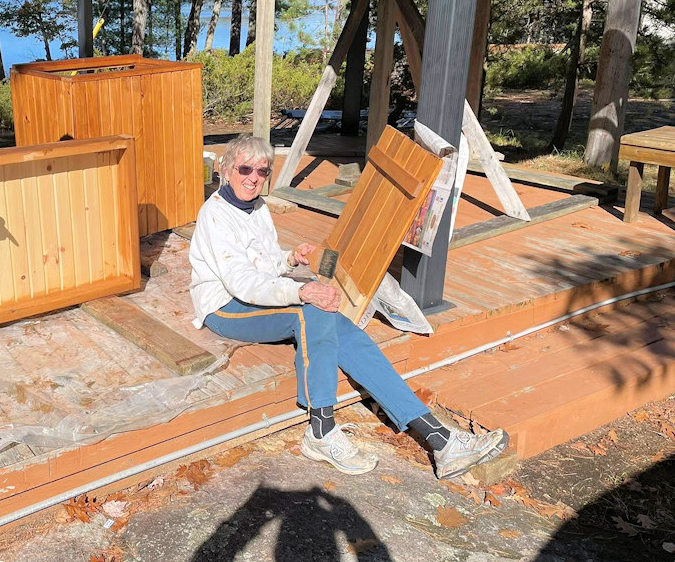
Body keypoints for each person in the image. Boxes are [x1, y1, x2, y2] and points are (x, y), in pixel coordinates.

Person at [190, 134, 509, 479]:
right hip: (224, 307)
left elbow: (261, 264)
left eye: (262, 171)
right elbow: (242, 283)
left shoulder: (257, 207)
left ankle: (439, 439)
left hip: (253, 296)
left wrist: (289, 259)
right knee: (312, 309)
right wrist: (302, 291)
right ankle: (321, 431)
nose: (253, 177)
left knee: (341, 326)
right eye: (245, 169)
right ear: (226, 169)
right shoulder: (216, 215)